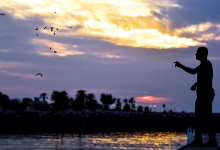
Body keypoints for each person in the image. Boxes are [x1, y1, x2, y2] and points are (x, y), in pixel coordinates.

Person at [174, 47, 217, 147]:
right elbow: (204, 79)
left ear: (202, 54)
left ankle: (200, 140)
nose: (195, 55)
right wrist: (196, 84)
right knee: (206, 118)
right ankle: (210, 140)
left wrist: (180, 65)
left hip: (204, 96)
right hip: (206, 95)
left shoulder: (206, 64)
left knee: (200, 117)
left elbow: (193, 72)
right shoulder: (205, 65)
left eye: (197, 53)